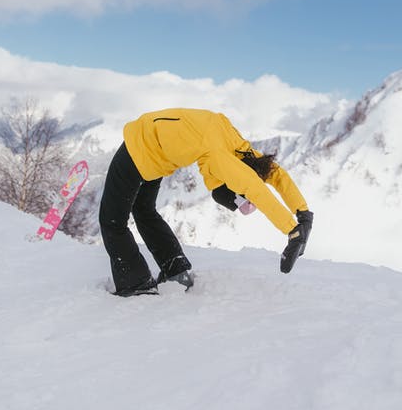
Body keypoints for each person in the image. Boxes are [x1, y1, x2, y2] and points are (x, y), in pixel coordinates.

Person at [99, 108, 313, 297]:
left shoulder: (236, 144)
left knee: (129, 215)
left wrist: (303, 214)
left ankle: (147, 279)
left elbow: (275, 174)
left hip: (152, 146)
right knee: (121, 217)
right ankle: (165, 274)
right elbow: (255, 187)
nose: (238, 201)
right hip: (145, 147)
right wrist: (293, 229)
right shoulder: (223, 159)